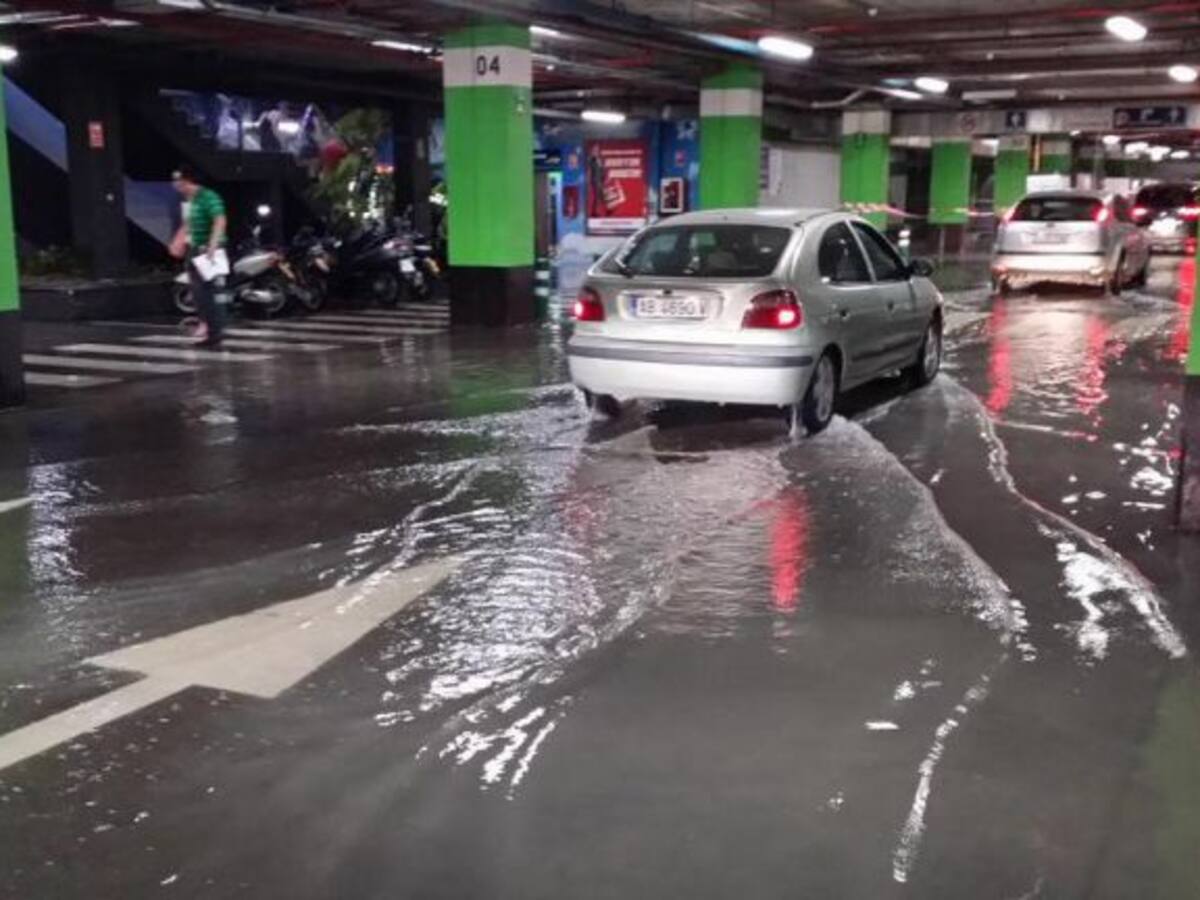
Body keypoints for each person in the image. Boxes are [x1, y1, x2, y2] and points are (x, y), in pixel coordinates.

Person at [170, 166, 227, 347]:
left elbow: (219, 219)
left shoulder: (208, 197)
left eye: (180, 183)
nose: (177, 187)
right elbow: (188, 223)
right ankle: (209, 329)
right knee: (198, 292)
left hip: (208, 250)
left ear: (188, 182)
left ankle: (215, 332)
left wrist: (213, 244)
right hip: (196, 250)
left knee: (208, 292)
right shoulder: (192, 200)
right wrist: (177, 241)